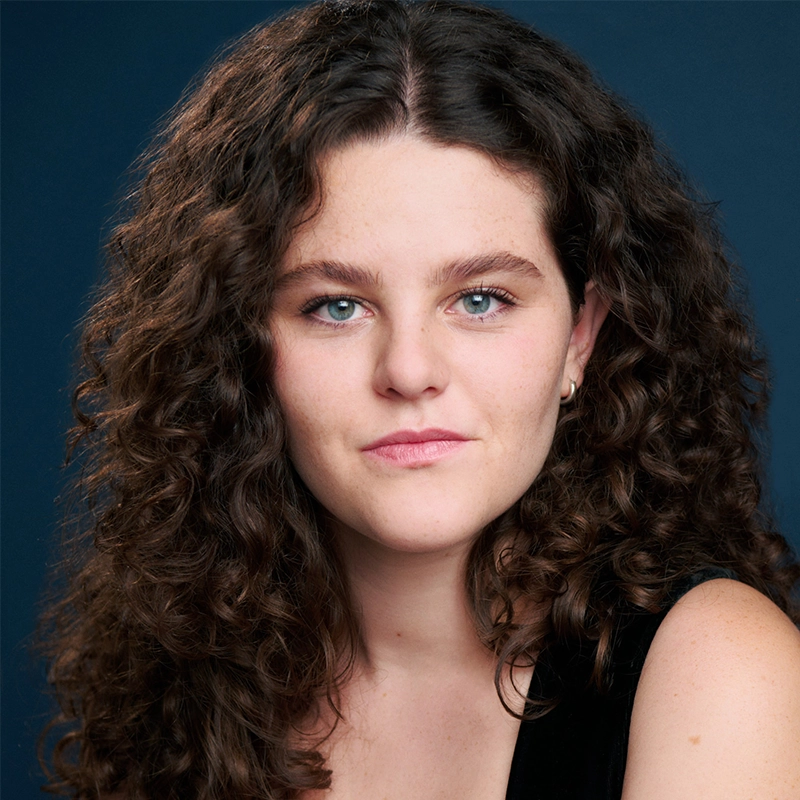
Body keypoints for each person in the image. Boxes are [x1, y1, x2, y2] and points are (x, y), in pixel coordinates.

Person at [41, 1, 800, 798]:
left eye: (480, 299)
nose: (408, 371)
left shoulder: (718, 674)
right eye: (336, 306)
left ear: (580, 336)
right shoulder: (188, 683)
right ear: (239, 348)